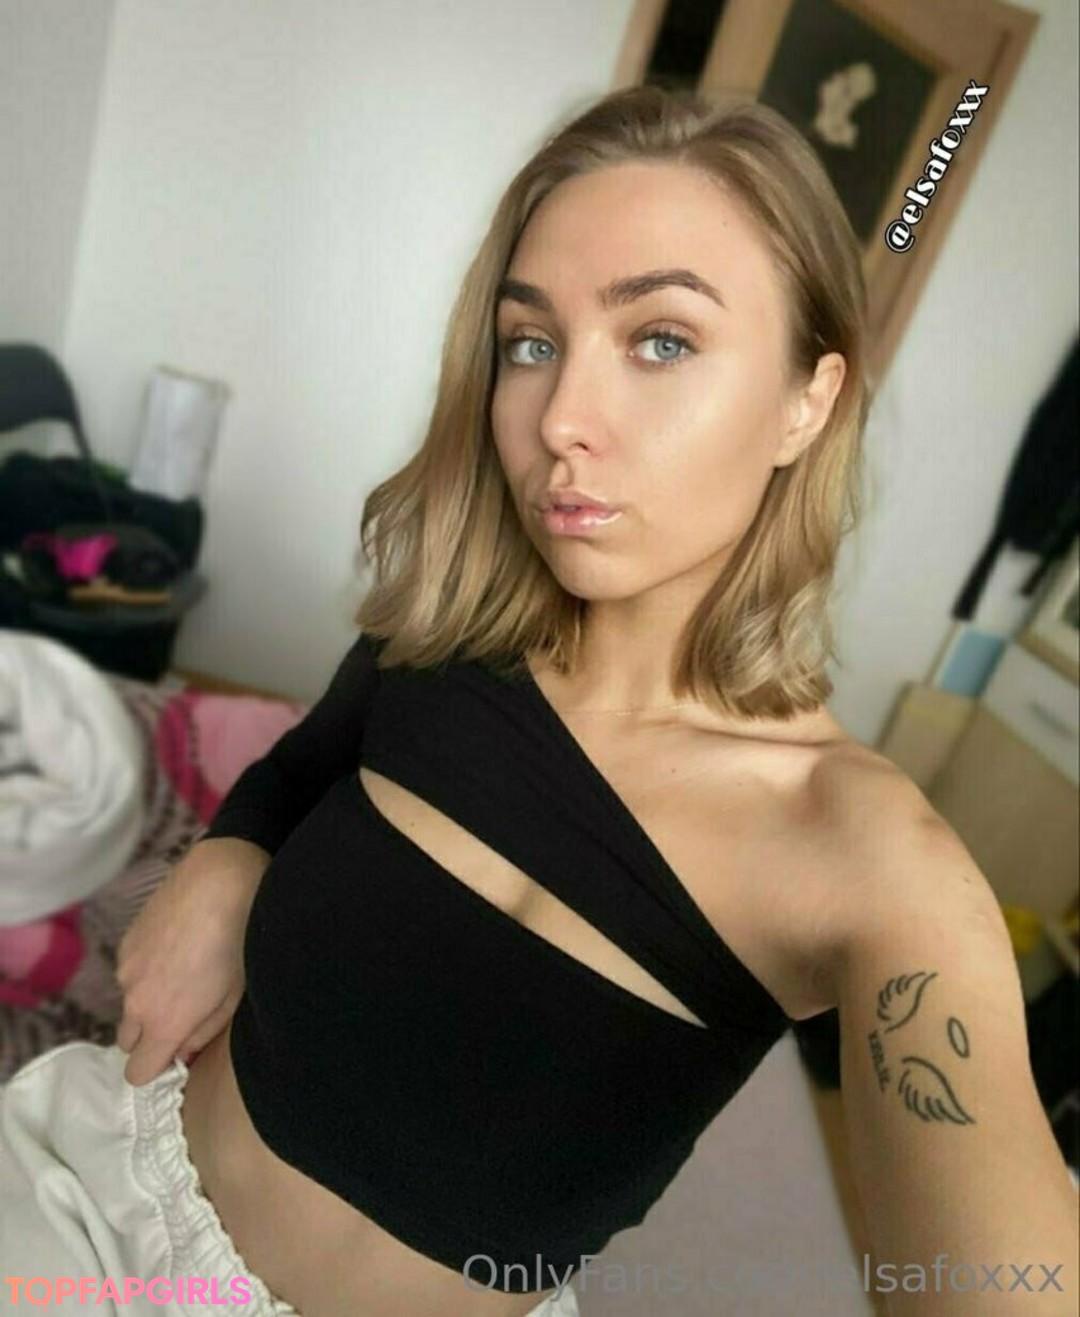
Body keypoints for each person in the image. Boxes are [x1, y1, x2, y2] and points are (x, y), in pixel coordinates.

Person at [2, 84, 1076, 1317]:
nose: (561, 418)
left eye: (661, 340)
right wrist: (229, 855)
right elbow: (309, 760)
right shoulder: (458, 626)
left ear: (807, 401)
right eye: (530, 343)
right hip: (86, 1203)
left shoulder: (870, 860)